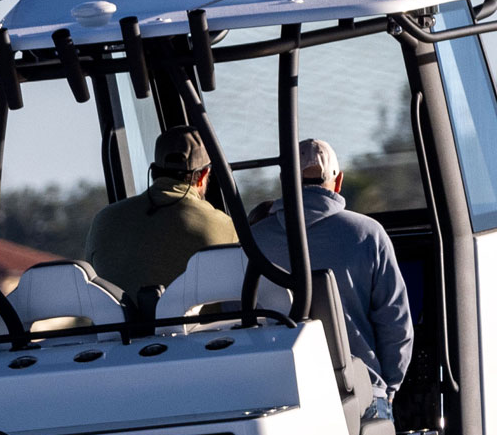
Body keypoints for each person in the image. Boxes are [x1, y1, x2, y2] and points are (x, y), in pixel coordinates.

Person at [251, 138, 412, 395]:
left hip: (278, 391)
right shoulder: (369, 235)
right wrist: (387, 389)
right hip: (358, 391)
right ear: (338, 182)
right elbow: (395, 324)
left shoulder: (253, 240)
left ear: (284, 181)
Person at [82, 127, 239, 296]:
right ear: (203, 175)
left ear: (154, 171)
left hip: (123, 323)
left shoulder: (104, 220)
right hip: (197, 323)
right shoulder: (223, 225)